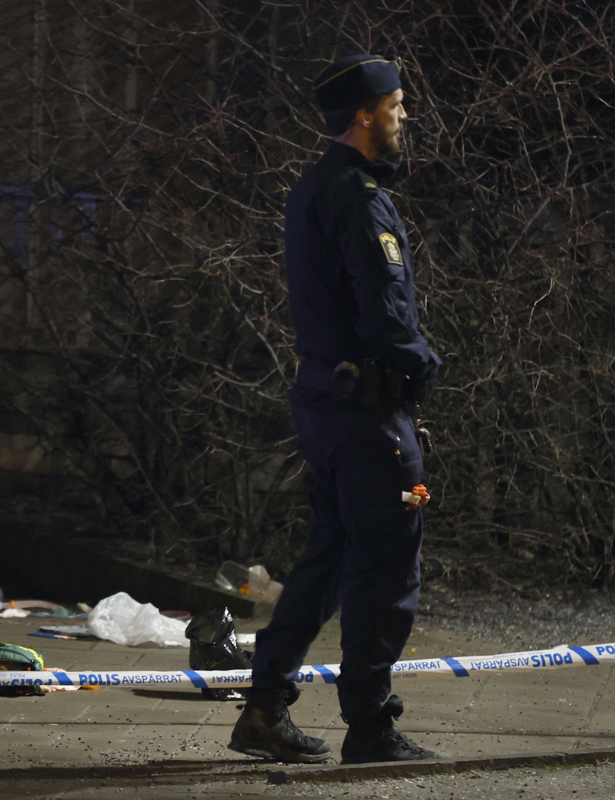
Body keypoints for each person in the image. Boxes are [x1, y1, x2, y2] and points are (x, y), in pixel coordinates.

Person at [227, 54, 443, 765]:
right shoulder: (356, 195)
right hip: (368, 412)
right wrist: (422, 365)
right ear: (364, 113)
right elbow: (385, 312)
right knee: (386, 568)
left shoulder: (314, 186)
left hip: (324, 401)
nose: (404, 115)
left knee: (328, 558)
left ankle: (264, 708)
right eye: (396, 103)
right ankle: (372, 728)